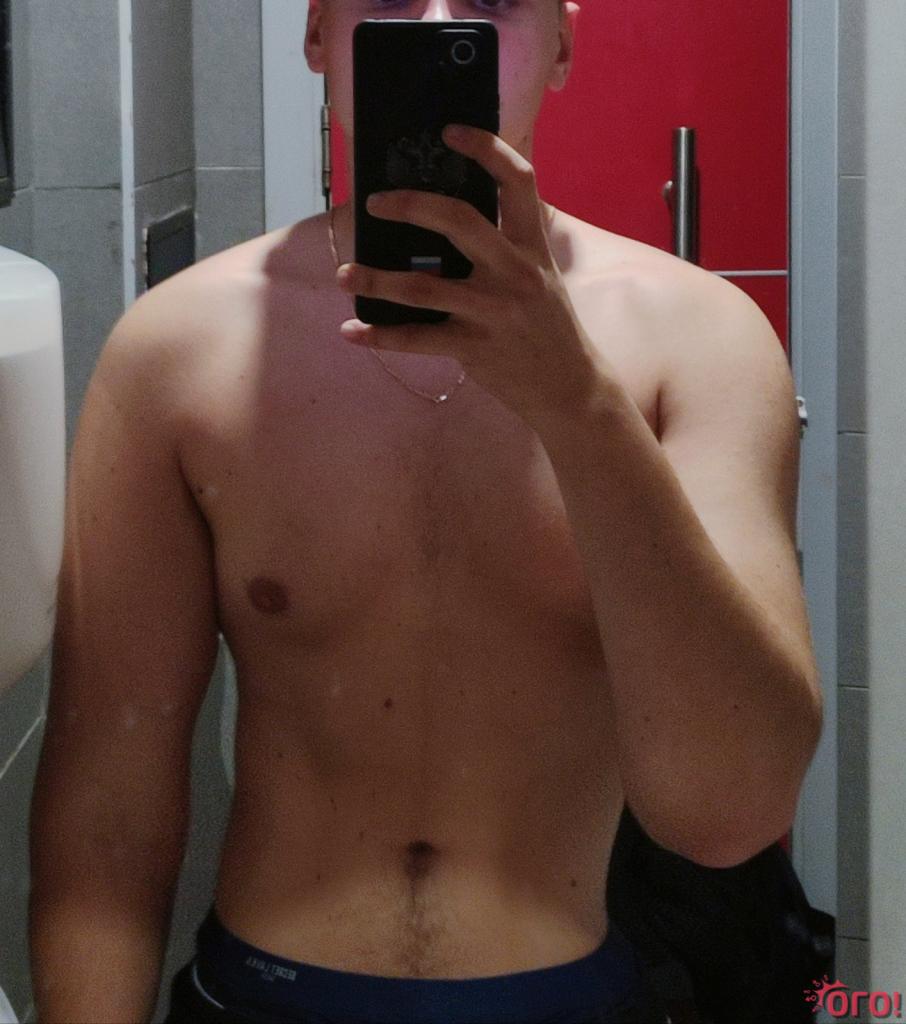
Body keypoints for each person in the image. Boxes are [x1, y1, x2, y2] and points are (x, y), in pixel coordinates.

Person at [27, 0, 824, 1021]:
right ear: (319, 34)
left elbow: (732, 814)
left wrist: (578, 404)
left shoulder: (702, 342)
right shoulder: (176, 353)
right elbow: (106, 812)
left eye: (494, 0)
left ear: (564, 45)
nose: (443, 17)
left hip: (575, 995)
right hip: (264, 995)